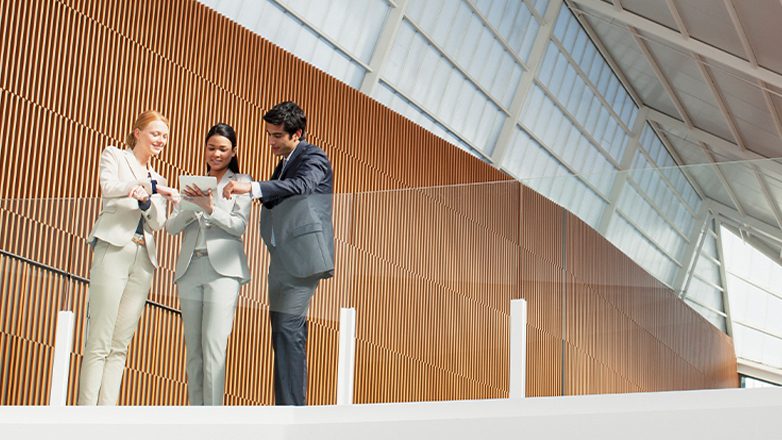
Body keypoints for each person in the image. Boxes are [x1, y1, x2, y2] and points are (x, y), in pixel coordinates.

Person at [223, 101, 334, 406]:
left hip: (304, 260)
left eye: (277, 136)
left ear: (297, 133)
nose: (270, 142)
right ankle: (286, 407)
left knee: (288, 329)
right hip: (282, 259)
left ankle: (293, 411)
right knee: (284, 333)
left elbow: (302, 185)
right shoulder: (284, 161)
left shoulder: (313, 157)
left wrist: (252, 188)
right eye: (269, 135)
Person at [79, 110, 179, 405]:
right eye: (155, 133)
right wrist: (150, 189)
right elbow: (109, 188)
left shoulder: (159, 178)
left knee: (120, 344)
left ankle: (106, 416)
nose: (160, 140)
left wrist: (148, 198)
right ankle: (86, 415)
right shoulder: (115, 155)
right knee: (99, 338)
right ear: (138, 133)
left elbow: (158, 221)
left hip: (143, 257)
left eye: (164, 136)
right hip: (113, 247)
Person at [166, 123, 252, 405]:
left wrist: (211, 209)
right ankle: (196, 419)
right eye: (211, 148)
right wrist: (192, 207)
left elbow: (239, 226)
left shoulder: (241, 182)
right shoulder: (194, 184)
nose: (216, 154)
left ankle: (215, 423)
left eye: (223, 149)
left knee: (214, 347)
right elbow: (170, 227)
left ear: (233, 151)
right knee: (194, 351)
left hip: (223, 272)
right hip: (190, 269)